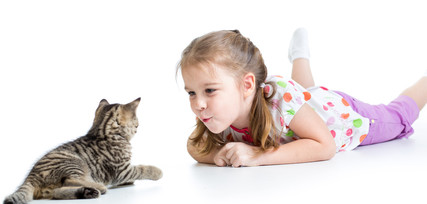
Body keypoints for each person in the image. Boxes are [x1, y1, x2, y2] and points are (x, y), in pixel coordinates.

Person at [177, 28, 427, 167]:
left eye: (210, 90)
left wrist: (257, 155)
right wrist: (215, 156)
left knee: (399, 115)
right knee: (304, 91)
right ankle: (300, 55)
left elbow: (325, 146)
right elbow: (195, 145)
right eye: (191, 92)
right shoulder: (216, 113)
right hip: (306, 103)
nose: (198, 104)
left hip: (340, 117)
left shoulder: (281, 99)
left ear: (247, 85)